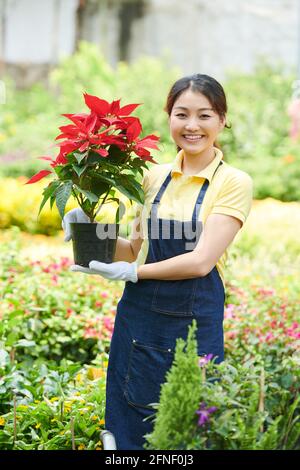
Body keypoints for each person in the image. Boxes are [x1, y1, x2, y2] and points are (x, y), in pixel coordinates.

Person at [62, 74, 253, 450]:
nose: (192, 125)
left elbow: (200, 262)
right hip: (139, 319)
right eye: (182, 114)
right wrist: (89, 230)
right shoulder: (153, 176)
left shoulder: (232, 182)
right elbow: (134, 247)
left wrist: (133, 272)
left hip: (194, 320)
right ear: (169, 118)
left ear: (222, 119)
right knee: (128, 428)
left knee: (187, 425)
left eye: (205, 115)